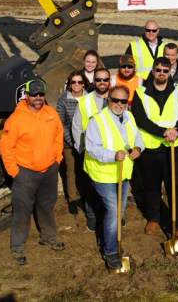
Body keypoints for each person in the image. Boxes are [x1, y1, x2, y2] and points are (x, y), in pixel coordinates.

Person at [0, 79, 64, 265]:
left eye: (41, 94)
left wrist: (57, 160)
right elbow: (6, 148)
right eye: (34, 94)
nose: (38, 98)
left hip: (49, 170)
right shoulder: (16, 120)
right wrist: (15, 172)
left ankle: (48, 236)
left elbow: (58, 137)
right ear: (26, 95)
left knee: (47, 205)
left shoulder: (51, 114)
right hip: (25, 173)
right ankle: (17, 247)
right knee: (22, 210)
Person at [84, 86, 144, 270]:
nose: (119, 104)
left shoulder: (129, 117)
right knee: (115, 211)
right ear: (108, 100)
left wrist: (137, 149)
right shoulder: (97, 120)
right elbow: (92, 148)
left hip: (123, 172)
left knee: (119, 211)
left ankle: (112, 236)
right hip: (103, 173)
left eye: (123, 101)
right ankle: (110, 251)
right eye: (115, 100)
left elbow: (137, 137)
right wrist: (112, 155)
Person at [131, 57, 178, 238]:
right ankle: (154, 218)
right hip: (150, 149)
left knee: (176, 187)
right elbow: (140, 119)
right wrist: (163, 131)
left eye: (165, 71)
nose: (161, 74)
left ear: (169, 72)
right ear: (152, 71)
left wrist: (176, 131)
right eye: (158, 70)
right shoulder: (140, 92)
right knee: (152, 187)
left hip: (174, 147)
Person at [72, 67, 111, 232]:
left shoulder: (117, 100)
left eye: (105, 79)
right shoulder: (85, 101)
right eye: (99, 80)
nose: (102, 83)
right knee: (90, 186)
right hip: (90, 152)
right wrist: (81, 149)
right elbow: (76, 126)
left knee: (111, 186)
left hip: (111, 153)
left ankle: (113, 215)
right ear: (94, 81)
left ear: (109, 81)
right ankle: (92, 216)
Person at [56, 71, 86, 215]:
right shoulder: (63, 100)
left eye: (79, 82)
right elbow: (61, 124)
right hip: (69, 143)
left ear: (84, 84)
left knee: (84, 171)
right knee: (71, 171)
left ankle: (84, 196)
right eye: (73, 82)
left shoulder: (89, 99)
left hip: (86, 142)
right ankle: (72, 199)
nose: (76, 85)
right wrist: (73, 142)